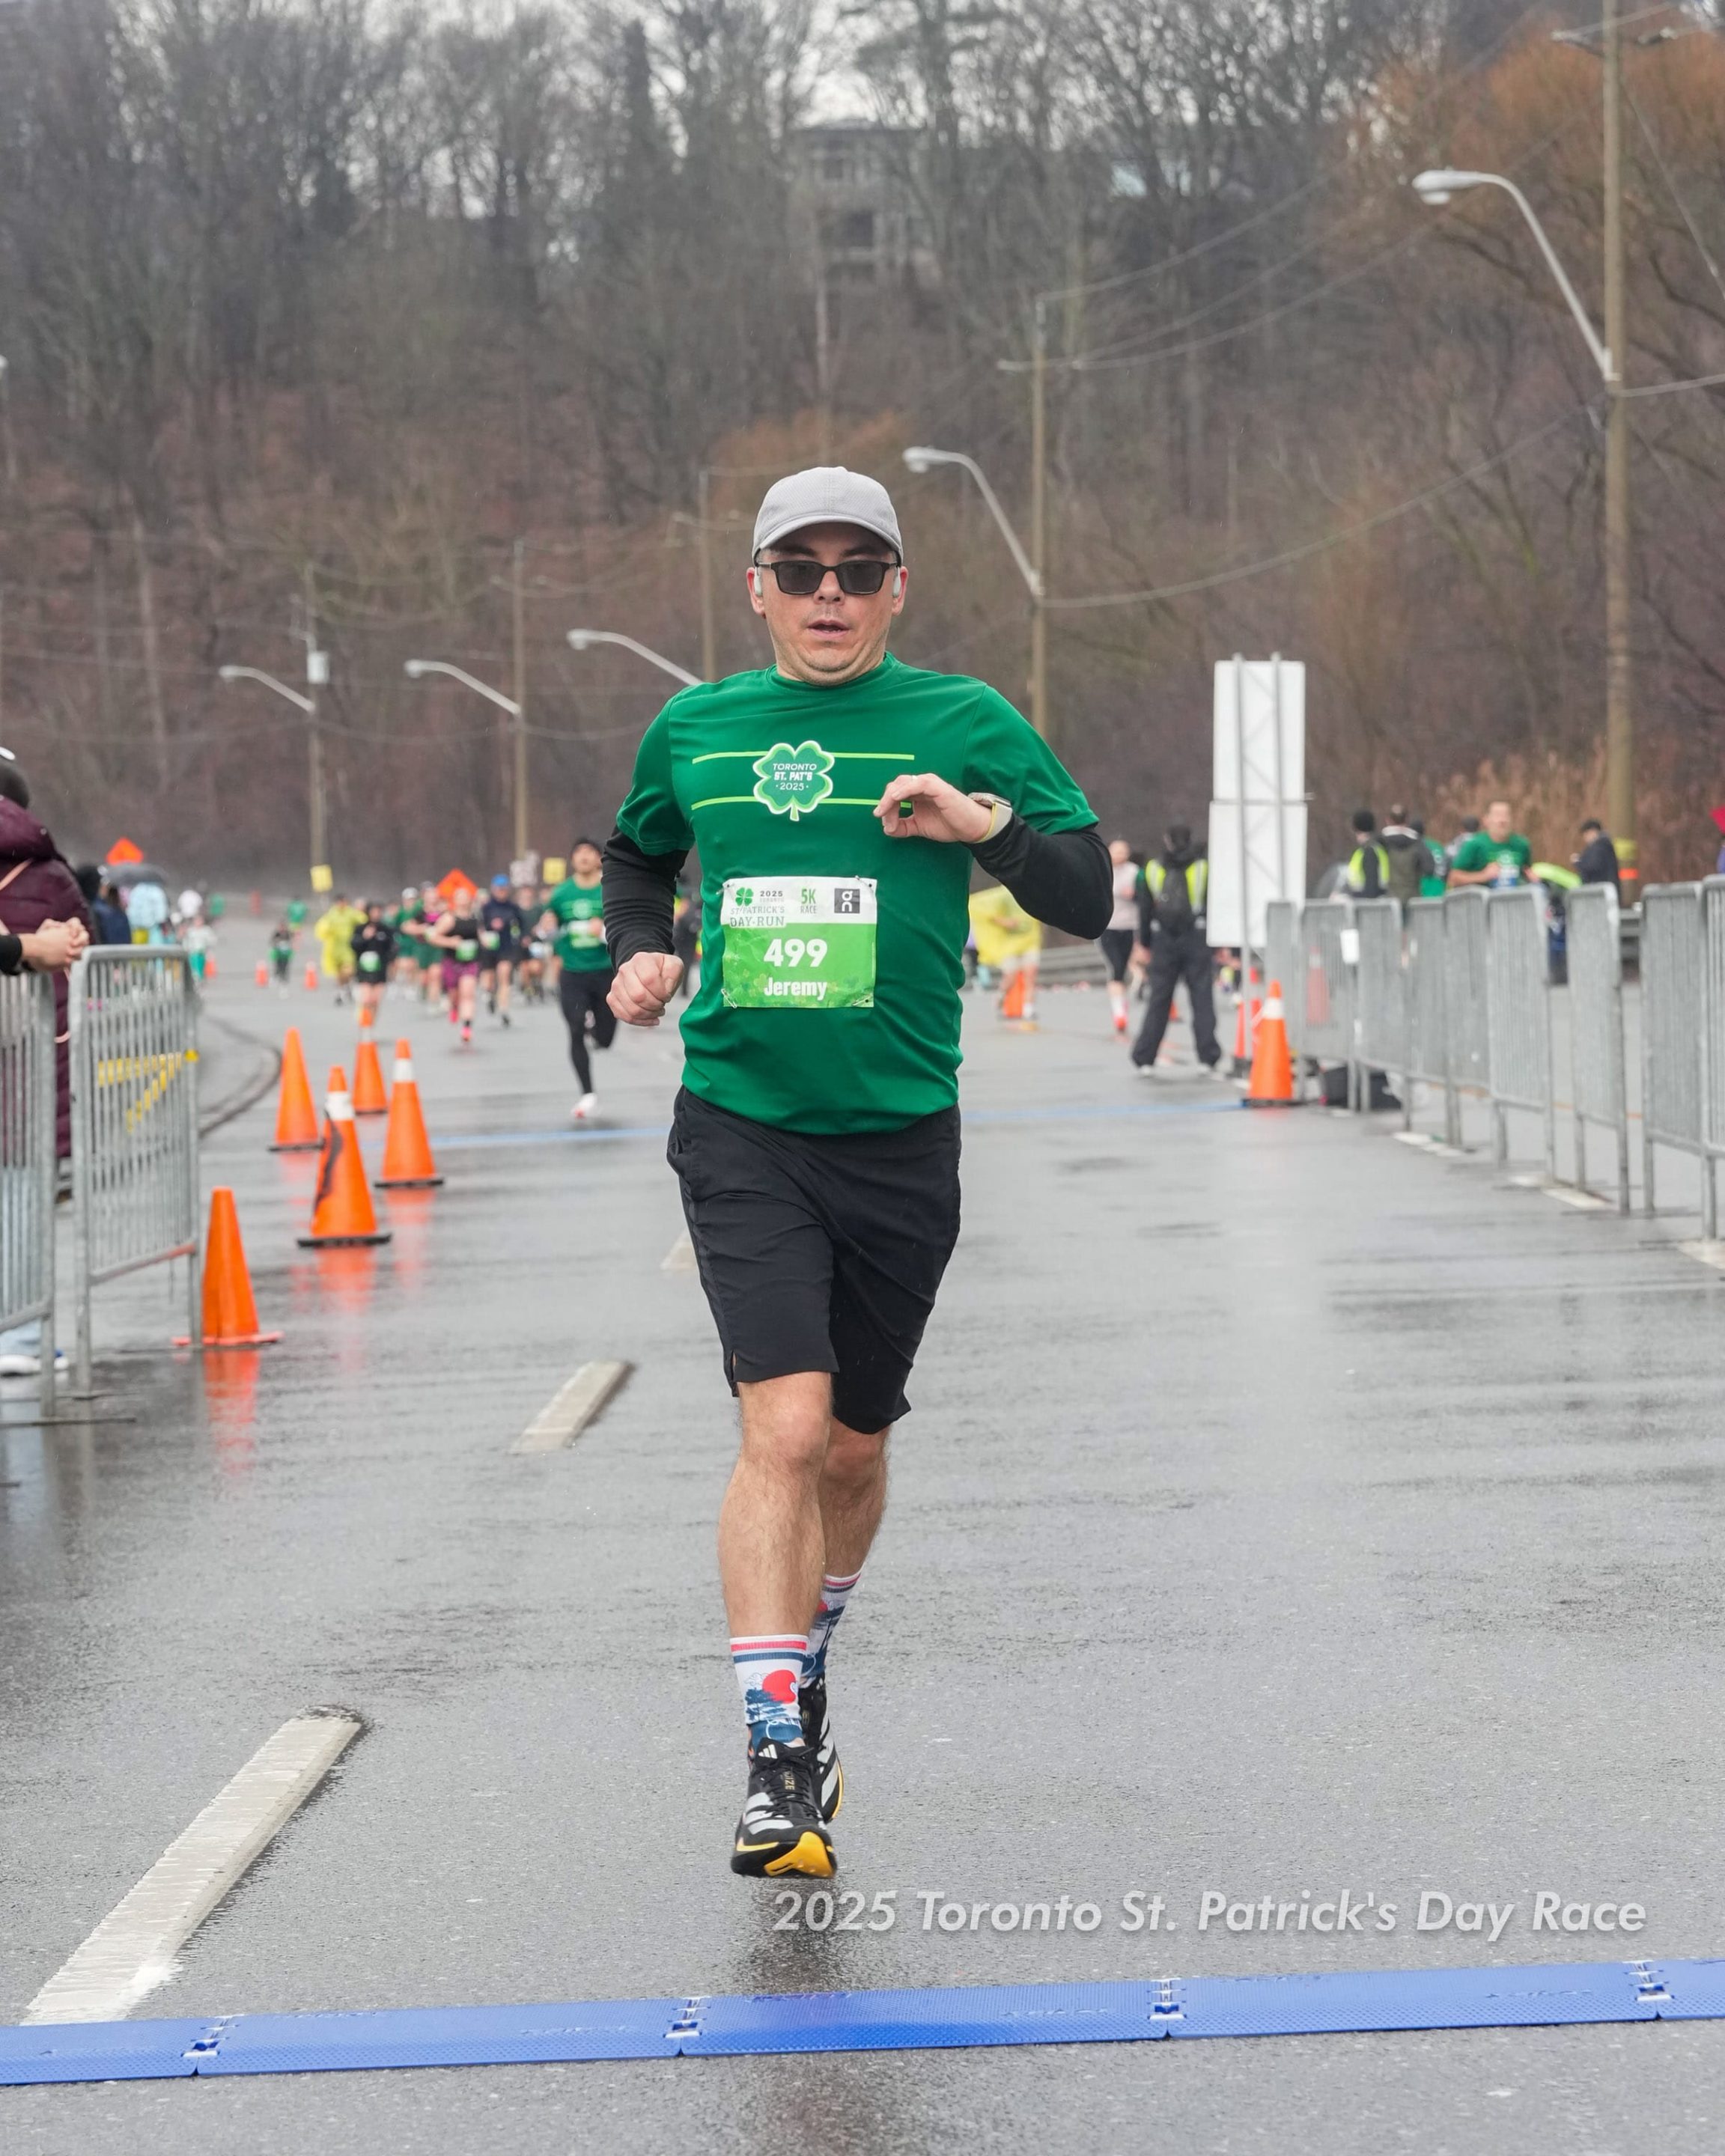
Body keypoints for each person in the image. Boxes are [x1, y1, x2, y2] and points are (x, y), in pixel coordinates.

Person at [600, 465, 1108, 1878]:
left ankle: (806, 1662)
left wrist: (985, 828)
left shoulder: (965, 720)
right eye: (801, 570)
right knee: (782, 1428)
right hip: (742, 1126)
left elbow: (1086, 895)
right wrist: (636, 951)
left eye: (858, 571)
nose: (829, 596)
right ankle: (775, 1764)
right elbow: (635, 858)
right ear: (756, 588)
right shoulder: (695, 729)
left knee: (853, 1448)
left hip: (899, 1138)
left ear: (897, 590)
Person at [0, 752, 94, 1377]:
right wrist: (38, 946)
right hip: (23, 1055)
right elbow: (84, 941)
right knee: (21, 1190)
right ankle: (22, 1334)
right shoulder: (48, 872)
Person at [1130, 823, 1220, 1075]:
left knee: (1159, 1000)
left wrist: (1145, 943)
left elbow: (1145, 909)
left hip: (1164, 940)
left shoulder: (1152, 869)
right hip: (1197, 937)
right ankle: (1208, 1057)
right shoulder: (1203, 867)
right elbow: (1214, 904)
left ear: (1166, 840)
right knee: (1202, 998)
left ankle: (1145, 1058)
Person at [541, 840, 615, 1119]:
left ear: (598, 858)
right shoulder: (561, 894)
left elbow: (626, 929)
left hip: (605, 970)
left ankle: (596, 1032)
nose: (584, 857)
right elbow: (548, 932)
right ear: (572, 860)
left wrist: (603, 930)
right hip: (573, 972)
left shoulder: (610, 889)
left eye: (589, 852)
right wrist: (547, 928)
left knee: (605, 1039)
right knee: (573, 1028)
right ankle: (587, 1093)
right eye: (579, 853)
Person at [967, 877, 1041, 1020]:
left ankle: (1028, 1010)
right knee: (1010, 977)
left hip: (1030, 942)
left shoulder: (1033, 892)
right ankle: (1000, 997)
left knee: (1030, 977)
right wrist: (1005, 922)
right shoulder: (1005, 895)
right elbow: (983, 909)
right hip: (1010, 945)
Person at [425, 887, 482, 1044]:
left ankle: (467, 1028)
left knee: (468, 993)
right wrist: (450, 942)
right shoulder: (449, 918)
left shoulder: (475, 918)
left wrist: (487, 942)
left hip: (470, 961)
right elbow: (433, 937)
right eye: (460, 897)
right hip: (452, 961)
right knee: (454, 994)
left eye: (466, 897)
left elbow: (481, 935)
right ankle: (454, 1007)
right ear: (455, 900)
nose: (463, 900)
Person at [1098, 838, 1140, 1033]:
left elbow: (1146, 896)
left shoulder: (1134, 872)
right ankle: (1119, 1013)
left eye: (1123, 851)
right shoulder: (1102, 869)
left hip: (1130, 925)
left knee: (1123, 968)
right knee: (1115, 967)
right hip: (1108, 926)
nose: (1119, 855)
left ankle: (1122, 1002)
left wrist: (1135, 894)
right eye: (1116, 851)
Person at [1448, 800, 1532, 889]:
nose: (1502, 820)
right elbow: (1453, 878)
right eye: (1497, 815)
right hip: (1484, 897)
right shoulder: (1474, 844)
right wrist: (1483, 876)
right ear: (1486, 820)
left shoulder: (1522, 845)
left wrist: (1533, 878)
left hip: (1514, 897)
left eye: (1506, 815)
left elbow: (1526, 871)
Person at [479, 874, 526, 1026]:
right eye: (499, 889)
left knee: (504, 975)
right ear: (493, 889)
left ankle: (504, 1010)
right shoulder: (486, 907)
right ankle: (490, 995)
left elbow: (521, 925)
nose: (501, 892)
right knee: (490, 980)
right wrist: (485, 935)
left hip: (506, 946)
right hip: (490, 947)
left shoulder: (513, 907)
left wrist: (522, 937)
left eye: (504, 889)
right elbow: (479, 926)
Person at [1381, 806, 1437, 908]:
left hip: (1389, 902)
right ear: (1407, 820)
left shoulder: (1380, 842)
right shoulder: (1418, 843)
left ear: (1388, 820)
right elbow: (1430, 868)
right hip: (1413, 901)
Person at [350, 901, 396, 1020]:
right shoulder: (360, 929)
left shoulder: (386, 930)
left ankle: (372, 1022)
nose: (376, 914)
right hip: (364, 968)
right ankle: (364, 1022)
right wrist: (364, 938)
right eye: (373, 912)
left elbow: (392, 948)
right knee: (366, 999)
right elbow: (354, 946)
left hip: (380, 968)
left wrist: (391, 963)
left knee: (375, 1000)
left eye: (378, 912)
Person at [314, 892, 365, 999]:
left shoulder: (351, 913)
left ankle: (347, 986)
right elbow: (321, 929)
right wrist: (327, 930)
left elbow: (363, 921)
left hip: (348, 947)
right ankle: (343, 989)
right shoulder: (331, 915)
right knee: (339, 973)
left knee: (348, 970)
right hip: (334, 948)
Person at [1343, 808, 1389, 897]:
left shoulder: (1369, 852)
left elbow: (1371, 887)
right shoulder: (1376, 849)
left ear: (1356, 828)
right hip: (1368, 900)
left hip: (1365, 903)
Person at [1575, 818, 1621, 893]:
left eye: (1586, 834)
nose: (1585, 838)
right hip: (1605, 891)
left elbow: (1592, 866)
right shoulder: (1604, 845)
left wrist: (1578, 862)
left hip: (1600, 892)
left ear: (1592, 832)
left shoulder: (1599, 847)